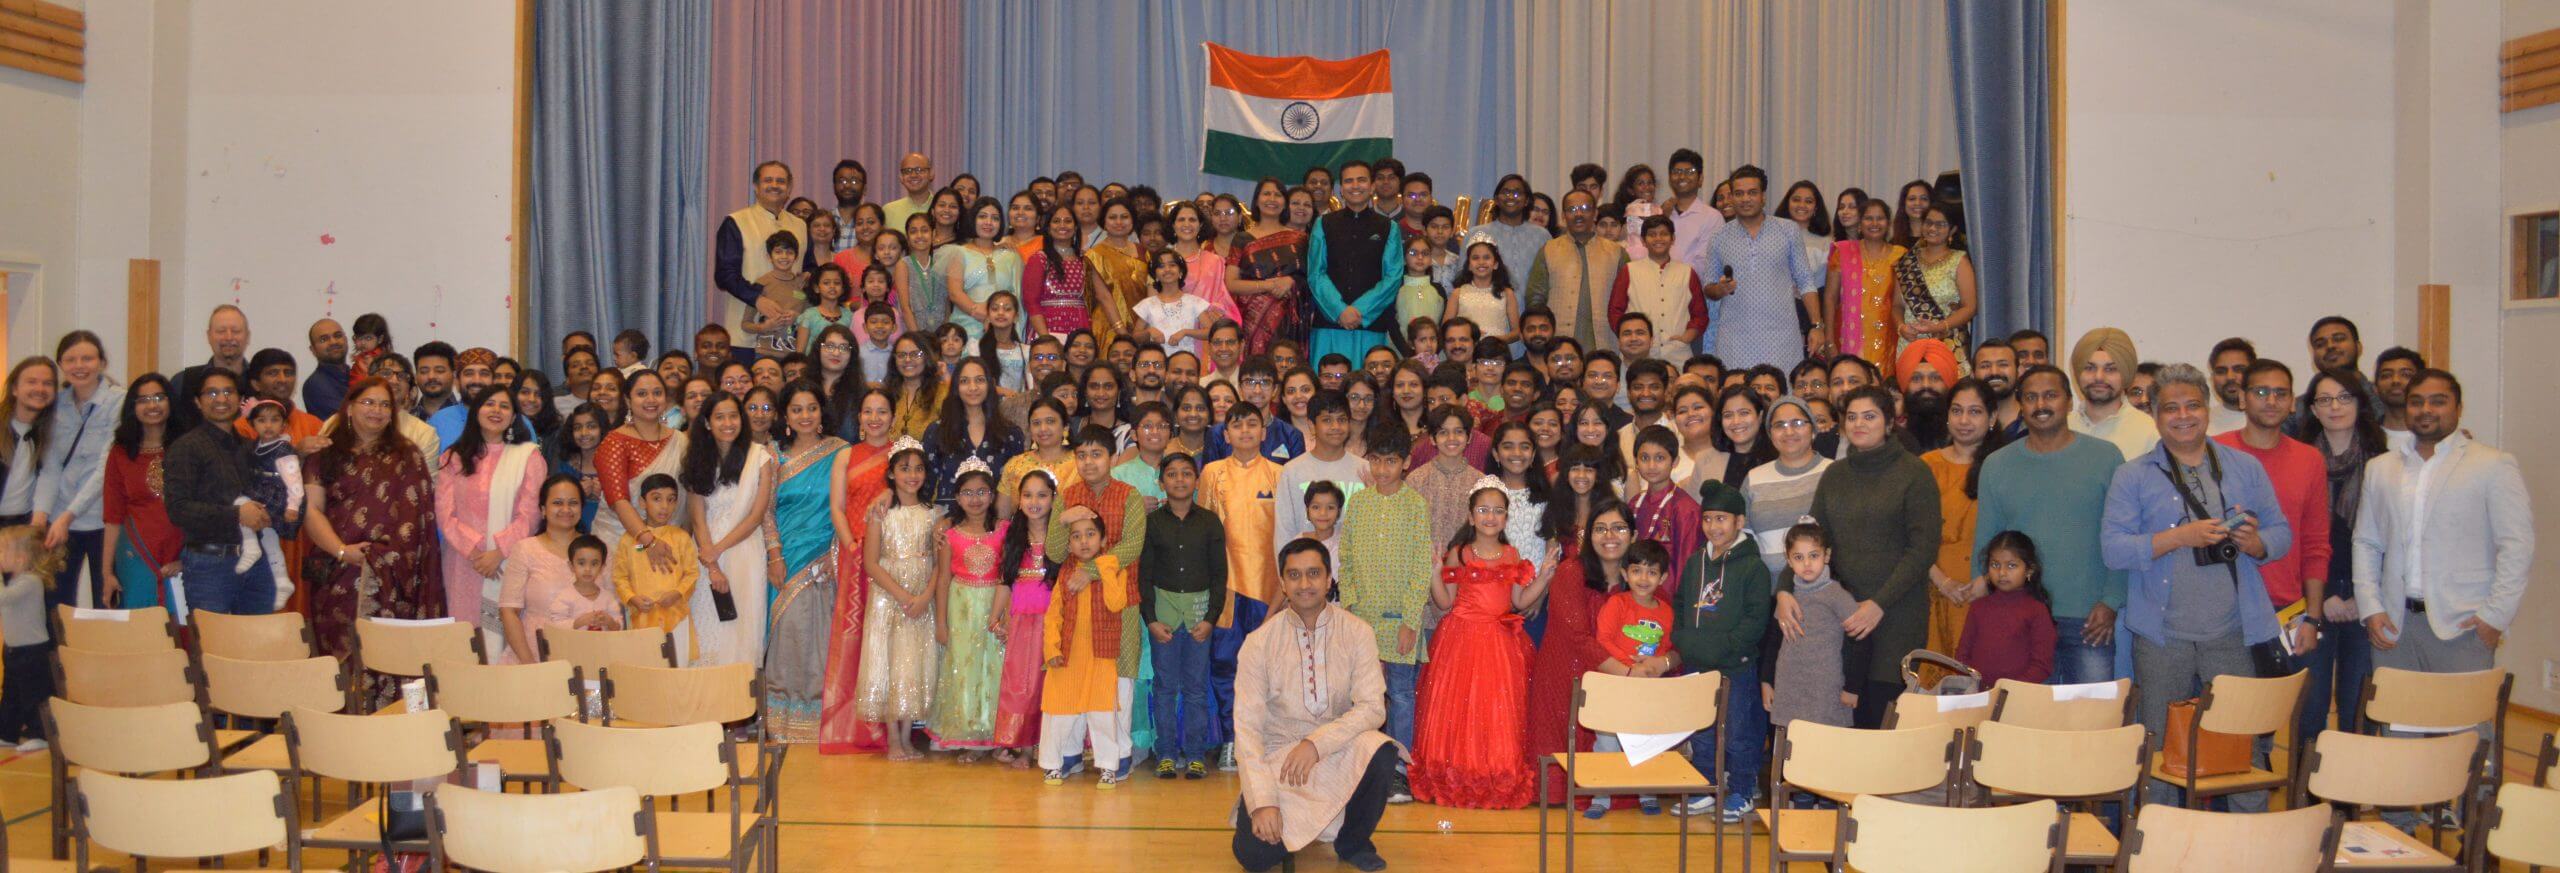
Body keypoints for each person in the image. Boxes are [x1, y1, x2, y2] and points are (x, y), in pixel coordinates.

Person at [2103, 363, 2291, 808]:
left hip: (2234, 632)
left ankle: (2246, 839)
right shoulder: (2132, 475)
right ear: (2154, 414)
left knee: (2241, 747)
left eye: (2193, 405)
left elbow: (2281, 533)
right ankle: (2159, 835)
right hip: (2161, 637)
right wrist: (2178, 538)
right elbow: (2113, 549)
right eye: (2171, 408)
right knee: (2160, 749)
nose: (2183, 416)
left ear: (2208, 409)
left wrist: (2256, 543)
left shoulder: (2244, 467)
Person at [1229, 537, 1399, 873]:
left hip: (1337, 752)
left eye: (1313, 573)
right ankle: (1289, 821)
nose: (1304, 584)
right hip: (1281, 763)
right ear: (1282, 583)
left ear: (1329, 579)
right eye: (1294, 575)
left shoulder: (1357, 632)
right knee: (1254, 857)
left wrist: (1316, 744)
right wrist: (1262, 802)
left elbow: (1372, 707)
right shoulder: (1258, 643)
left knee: (1382, 750)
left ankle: (1353, 841)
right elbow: (1246, 730)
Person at [2353, 369, 2534, 678]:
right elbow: (2366, 542)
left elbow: (2517, 545)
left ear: (2458, 408)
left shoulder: (2492, 464)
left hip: (2464, 626)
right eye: (2416, 402)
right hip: (2393, 624)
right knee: (2396, 710)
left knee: (2462, 712)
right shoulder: (2380, 468)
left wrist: (2495, 616)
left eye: (2438, 401)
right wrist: (2371, 607)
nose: (2425, 410)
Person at [1778, 386, 1939, 728]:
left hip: (1896, 616)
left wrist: (1879, 604)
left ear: (1889, 423)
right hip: (1840, 621)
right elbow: (1810, 538)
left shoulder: (1915, 473)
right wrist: (1783, 590)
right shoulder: (1835, 475)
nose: (1859, 424)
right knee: (1842, 725)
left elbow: (1923, 549)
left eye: (1869, 416)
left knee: (1883, 725)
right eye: (1851, 417)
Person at [1974, 365, 2127, 684]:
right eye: (2031, 397)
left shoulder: (2106, 458)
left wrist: (2112, 601)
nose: (2040, 405)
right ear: (2021, 405)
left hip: (2089, 618)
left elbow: (2121, 538)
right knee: (2026, 714)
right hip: (2019, 619)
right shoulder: (1997, 465)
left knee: (2091, 714)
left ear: (2069, 402)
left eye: (2050, 396)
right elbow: (1986, 545)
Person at [301, 376, 443, 707]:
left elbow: (418, 522)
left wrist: (383, 559)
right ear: (349, 408)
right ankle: (339, 729)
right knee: (338, 662)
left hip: (394, 578)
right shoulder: (325, 453)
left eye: (384, 405)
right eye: (368, 402)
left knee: (389, 657)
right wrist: (341, 551)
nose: (377, 411)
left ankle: (389, 729)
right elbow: (312, 510)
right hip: (336, 574)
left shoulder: (407, 455)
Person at [1408, 480, 1546, 810]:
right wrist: (1435, 572)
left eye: (1498, 511)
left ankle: (1491, 773)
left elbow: (1519, 601)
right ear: (1471, 516)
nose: (1490, 516)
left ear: (1506, 518)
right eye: (1483, 510)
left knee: (1495, 711)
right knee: (1458, 710)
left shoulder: (1512, 555)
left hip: (1499, 643)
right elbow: (1444, 603)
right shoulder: (1461, 553)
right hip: (1460, 640)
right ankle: (1457, 774)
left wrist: (1546, 576)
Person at [1333, 420, 1432, 802]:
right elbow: (1347, 558)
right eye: (1375, 460)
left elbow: (1421, 566)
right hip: (1362, 618)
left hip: (1400, 620)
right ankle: (1364, 768)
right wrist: (1350, 607)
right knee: (1365, 697)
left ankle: (1398, 772)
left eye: (1390, 461)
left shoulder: (1415, 505)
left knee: (1402, 694)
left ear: (1405, 462)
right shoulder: (1359, 503)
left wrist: (1410, 620)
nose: (1382, 469)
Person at [2214, 360, 2330, 661]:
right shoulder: (2213, 452)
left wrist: (2313, 617)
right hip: (2226, 610)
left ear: (2292, 403)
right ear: (2243, 399)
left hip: (2287, 608)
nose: (2272, 401)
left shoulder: (2310, 460)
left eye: (2281, 393)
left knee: (2297, 693)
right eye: (2261, 392)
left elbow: (2316, 544)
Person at [1670, 480, 1772, 821]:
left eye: (1721, 519)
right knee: (1702, 730)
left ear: (1739, 521)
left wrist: (1728, 648)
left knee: (1739, 732)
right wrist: (1683, 639)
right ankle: (1706, 787)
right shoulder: (1696, 562)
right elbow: (1682, 603)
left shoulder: (1753, 567)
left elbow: (1756, 618)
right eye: (1708, 518)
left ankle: (1741, 790)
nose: (1713, 526)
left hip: (1735, 667)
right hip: (1697, 664)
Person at [2291, 367, 2384, 740]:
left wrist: (2365, 597)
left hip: (2367, 597)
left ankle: (2352, 779)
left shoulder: (2384, 463)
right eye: (2325, 400)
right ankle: (2308, 779)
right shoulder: (2299, 461)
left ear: (2360, 403)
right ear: (2313, 410)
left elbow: (2390, 539)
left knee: (2359, 709)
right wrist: (2325, 594)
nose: (2335, 407)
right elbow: (2295, 536)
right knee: (2309, 708)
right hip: (2313, 597)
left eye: (2344, 397)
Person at [1523, 496, 1622, 807]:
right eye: (1601, 529)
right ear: (1588, 535)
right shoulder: (1571, 571)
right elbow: (1577, 637)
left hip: (1607, 675)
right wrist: (1629, 673)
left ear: (1633, 535)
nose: (1609, 536)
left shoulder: (1638, 576)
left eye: (1619, 528)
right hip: (1565, 674)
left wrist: (1664, 662)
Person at [435, 385, 545, 654]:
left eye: (504, 406)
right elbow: (444, 513)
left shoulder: (528, 457)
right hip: (462, 562)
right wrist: (475, 553)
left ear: (514, 417)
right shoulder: (454, 457)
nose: (496, 410)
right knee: (465, 641)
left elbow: (530, 514)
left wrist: (498, 552)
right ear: (476, 411)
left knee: (506, 641)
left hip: (509, 561)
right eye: (489, 404)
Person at [767, 382, 848, 741]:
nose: (805, 416)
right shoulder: (773, 455)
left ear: (821, 412)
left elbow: (847, 507)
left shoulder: (840, 451)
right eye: (796, 409)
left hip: (825, 558)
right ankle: (783, 721)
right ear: (785, 416)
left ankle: (821, 720)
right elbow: (766, 511)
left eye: (811, 408)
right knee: (788, 636)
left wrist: (835, 553)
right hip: (786, 559)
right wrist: (774, 555)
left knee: (822, 638)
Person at [1139, 452, 1226, 779]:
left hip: (1199, 616)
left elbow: (1219, 575)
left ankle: (1195, 754)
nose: (1179, 480)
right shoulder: (1152, 523)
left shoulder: (1210, 522)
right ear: (1161, 482)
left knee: (1195, 688)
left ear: (1196, 480)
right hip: (1163, 616)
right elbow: (1144, 576)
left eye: (1186, 473)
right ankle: (1165, 753)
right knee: (1164, 687)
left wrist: (1211, 618)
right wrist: (1150, 619)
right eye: (1172, 474)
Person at [821, 388, 898, 754]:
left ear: (893, 417)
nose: (874, 418)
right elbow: (837, 507)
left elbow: (915, 490)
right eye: (868, 411)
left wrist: (891, 493)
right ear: (859, 417)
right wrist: (851, 545)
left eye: (882, 411)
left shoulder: (903, 453)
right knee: (856, 636)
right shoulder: (846, 455)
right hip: (854, 554)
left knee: (890, 638)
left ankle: (893, 723)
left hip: (894, 559)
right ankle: (858, 723)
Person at [163, 369, 277, 615]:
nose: (222, 399)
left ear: (240, 399)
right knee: (212, 638)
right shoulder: (186, 447)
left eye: (228, 392)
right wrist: (236, 514)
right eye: (212, 393)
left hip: (256, 560)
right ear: (198, 401)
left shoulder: (248, 446)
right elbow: (178, 508)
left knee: (261, 636)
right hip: (209, 564)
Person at [1583, 538, 1680, 819]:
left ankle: (1647, 793)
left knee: (1645, 742)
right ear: (1625, 574)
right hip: (1614, 686)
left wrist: (1650, 666)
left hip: (1646, 690)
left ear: (1663, 577)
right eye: (1637, 571)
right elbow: (1603, 640)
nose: (1643, 578)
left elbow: (1666, 648)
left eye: (1652, 572)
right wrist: (1629, 665)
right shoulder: (1617, 603)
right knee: (1607, 744)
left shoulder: (1667, 612)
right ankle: (1601, 797)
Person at [683, 393, 777, 669]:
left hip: (744, 551)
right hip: (704, 551)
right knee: (705, 625)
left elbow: (756, 516)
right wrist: (712, 563)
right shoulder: (698, 459)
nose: (728, 423)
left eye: (733, 416)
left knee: (741, 628)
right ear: (707, 423)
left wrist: (718, 550)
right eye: (720, 417)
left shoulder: (760, 457)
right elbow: (697, 517)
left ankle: (737, 692)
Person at [1041, 504, 1132, 786]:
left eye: (1091, 534)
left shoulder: (1113, 570)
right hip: (1067, 657)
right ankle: (1052, 764)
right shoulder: (1065, 574)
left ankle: (1108, 766)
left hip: (1100, 657)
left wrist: (1104, 569)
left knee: (1103, 713)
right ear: (1069, 543)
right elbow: (1053, 615)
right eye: (1076, 536)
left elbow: (1116, 603)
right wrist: (1052, 649)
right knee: (1059, 711)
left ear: (1103, 540)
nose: (1084, 541)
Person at [1700, 166, 1826, 370]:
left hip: (1781, 339)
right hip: (1734, 340)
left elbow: (1806, 281)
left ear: (1763, 197)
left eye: (1752, 192)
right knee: (1736, 390)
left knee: (1782, 390)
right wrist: (1720, 289)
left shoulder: (1788, 230)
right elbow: (1708, 287)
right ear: (1732, 197)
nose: (1745, 199)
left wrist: (1816, 326)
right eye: (1739, 193)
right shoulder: (1719, 237)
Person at [927, 460, 1009, 757]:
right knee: (964, 666)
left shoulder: (1004, 530)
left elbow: (1009, 573)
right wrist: (941, 623)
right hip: (961, 607)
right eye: (968, 493)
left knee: (994, 666)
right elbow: (942, 579)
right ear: (957, 498)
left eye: (982, 492)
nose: (975, 499)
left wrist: (1006, 614)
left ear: (992, 495)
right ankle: (969, 733)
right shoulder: (949, 535)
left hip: (994, 603)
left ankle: (996, 734)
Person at [37, 332, 120, 609]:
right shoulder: (55, 403)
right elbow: (50, 468)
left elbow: (105, 469)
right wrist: (44, 516)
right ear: (61, 364)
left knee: (105, 605)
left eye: (87, 358)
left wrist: (68, 516)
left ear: (102, 362)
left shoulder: (118, 401)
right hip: (60, 521)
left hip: (103, 520)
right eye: (70, 359)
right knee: (55, 605)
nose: (79, 365)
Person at [496, 476, 609, 665]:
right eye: (557, 503)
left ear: (582, 509)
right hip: (534, 656)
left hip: (590, 657)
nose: (566, 509)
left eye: (573, 503)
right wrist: (529, 663)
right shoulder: (525, 549)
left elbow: (611, 609)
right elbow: (508, 611)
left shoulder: (599, 550)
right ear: (543, 509)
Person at [1919, 377, 1994, 655]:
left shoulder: (2003, 466)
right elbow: (1911, 534)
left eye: (1975, 412)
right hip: (1932, 588)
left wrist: (1989, 580)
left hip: (1988, 592)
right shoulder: (1926, 466)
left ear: (1992, 418)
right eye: (1957, 410)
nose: (1964, 420)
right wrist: (1941, 581)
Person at [1307, 161, 1404, 364]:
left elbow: (1393, 277)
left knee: (1368, 380)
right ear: (1341, 189)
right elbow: (1316, 273)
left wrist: (1359, 310)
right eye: (1349, 181)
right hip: (1330, 323)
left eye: (1361, 180)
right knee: (1327, 380)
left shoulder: (1388, 227)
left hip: (1370, 324)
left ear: (1372, 186)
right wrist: (1340, 310)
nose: (1355, 186)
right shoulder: (1323, 223)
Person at [992, 467, 1058, 766]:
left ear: (1053, 499)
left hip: (1053, 621)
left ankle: (1053, 746)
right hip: (1021, 623)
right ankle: (1025, 747)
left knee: (1050, 684)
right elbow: (1005, 580)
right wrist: (996, 616)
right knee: (1022, 685)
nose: (1035, 502)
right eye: (1028, 495)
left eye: (1042, 495)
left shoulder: (1060, 536)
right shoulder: (1011, 535)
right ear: (1018, 500)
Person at [713, 161, 809, 361]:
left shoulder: (800, 226)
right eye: (768, 180)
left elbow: (809, 270)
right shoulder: (736, 222)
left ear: (789, 189)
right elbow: (724, 275)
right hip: (745, 335)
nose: (774, 185)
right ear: (756, 187)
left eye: (781, 181)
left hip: (788, 337)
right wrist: (757, 299)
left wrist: (806, 284)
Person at [1772, 522, 1859, 729]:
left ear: (1826, 556)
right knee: (1793, 743)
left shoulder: (1838, 595)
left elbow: (1860, 641)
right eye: (1798, 557)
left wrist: (1852, 687)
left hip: (1825, 688)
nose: (1807, 563)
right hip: (1789, 685)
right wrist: (1767, 681)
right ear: (1788, 560)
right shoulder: (1786, 597)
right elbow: (1774, 641)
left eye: (1814, 555)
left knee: (1824, 744)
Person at [101, 375, 177, 609]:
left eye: (159, 397)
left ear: (171, 401)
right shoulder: (121, 453)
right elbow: (113, 516)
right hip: (135, 551)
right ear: (132, 407)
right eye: (143, 400)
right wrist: (107, 573)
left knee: (182, 623)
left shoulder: (188, 447)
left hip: (181, 551)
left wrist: (188, 558)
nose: (152, 405)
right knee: (140, 622)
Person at [613, 474, 701, 659]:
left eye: (671, 500)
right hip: (642, 616)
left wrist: (677, 593)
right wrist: (632, 599)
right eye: (657, 499)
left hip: (676, 613)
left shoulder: (681, 538)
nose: (664, 506)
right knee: (646, 664)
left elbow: (692, 573)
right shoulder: (630, 541)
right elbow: (620, 577)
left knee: (677, 663)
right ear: (642, 503)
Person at [1527, 190, 1628, 349]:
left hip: (1606, 343)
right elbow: (1535, 299)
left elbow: (1627, 301)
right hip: (1559, 344)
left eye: (1585, 208)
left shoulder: (1616, 253)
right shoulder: (1548, 250)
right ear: (1563, 216)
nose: (1578, 214)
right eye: (1572, 209)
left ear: (1595, 214)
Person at [1956, 531, 2057, 684]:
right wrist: (1974, 685)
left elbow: (2042, 665)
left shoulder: (2037, 610)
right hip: (1978, 693)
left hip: (2019, 694)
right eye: (1995, 565)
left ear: (2029, 570)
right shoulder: (1978, 607)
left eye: (2011, 565)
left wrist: (2009, 690)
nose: (2002, 573)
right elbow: (1962, 655)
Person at [1228, 178, 1311, 356]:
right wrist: (1268, 285)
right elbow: (1231, 283)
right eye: (1266, 193)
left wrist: (1290, 281)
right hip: (1254, 320)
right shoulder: (1242, 239)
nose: (1272, 199)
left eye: (1278, 195)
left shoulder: (1299, 239)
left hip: (1291, 321)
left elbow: (1309, 278)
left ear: (1285, 203)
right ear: (1256, 201)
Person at [1609, 216, 1708, 363]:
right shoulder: (1629, 271)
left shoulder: (1687, 272)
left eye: (1664, 234)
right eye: (1652, 234)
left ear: (1673, 238)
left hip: (1677, 353)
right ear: (1643, 240)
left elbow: (1700, 314)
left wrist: (1688, 336)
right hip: (1637, 354)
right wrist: (1629, 337)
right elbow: (1615, 310)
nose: (1658, 238)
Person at [233, 400, 302, 610]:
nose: (268, 425)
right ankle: (281, 581)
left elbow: (294, 481)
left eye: (275, 420)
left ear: (284, 424)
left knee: (240, 503)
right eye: (262, 420)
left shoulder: (284, 449)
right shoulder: (257, 446)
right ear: (252, 424)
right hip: (262, 489)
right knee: (270, 538)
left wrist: (293, 507)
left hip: (275, 494)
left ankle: (250, 546)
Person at [0, 524, 60, 751]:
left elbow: (4, 598)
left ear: (21, 558)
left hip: (32, 651)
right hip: (13, 648)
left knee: (34, 693)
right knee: (11, 693)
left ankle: (40, 733)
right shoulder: (14, 582)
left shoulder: (30, 582)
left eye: (2, 551)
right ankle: (7, 731)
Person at [1893, 200, 1975, 356]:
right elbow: (1897, 306)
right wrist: (1901, 327)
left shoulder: (1959, 261)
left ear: (1952, 230)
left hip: (1947, 343)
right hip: (1910, 344)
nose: (1932, 228)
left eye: (1940, 224)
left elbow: (1970, 307)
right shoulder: (1906, 262)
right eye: (1928, 223)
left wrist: (1940, 327)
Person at [2068, 328, 2158, 460]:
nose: (2099, 377)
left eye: (2110, 369)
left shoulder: (2149, 432)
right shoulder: (2061, 429)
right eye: (2089, 368)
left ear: (2126, 374)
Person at [169, 305, 251, 434]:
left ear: (247, 336)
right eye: (221, 331)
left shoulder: (263, 383)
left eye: (236, 331)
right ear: (208, 336)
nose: (229, 337)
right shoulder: (182, 382)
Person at [302, 318, 352, 418]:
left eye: (338, 335)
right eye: (324, 339)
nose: (333, 342)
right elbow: (352, 419)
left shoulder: (355, 374)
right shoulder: (316, 385)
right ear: (313, 350)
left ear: (346, 340)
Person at [2206, 338, 2256, 437]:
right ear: (2212, 378)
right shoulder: (2201, 426)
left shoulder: (2274, 421)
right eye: (2221, 371)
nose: (2230, 377)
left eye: (2239, 370)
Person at [2372, 347, 2424, 440]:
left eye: (2406, 375)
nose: (2396, 381)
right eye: (2386, 375)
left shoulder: (2436, 437)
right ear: (2375, 388)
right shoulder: (2364, 439)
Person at [880, 153, 935, 235]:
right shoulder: (888, 211)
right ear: (901, 177)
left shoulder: (942, 209)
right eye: (907, 171)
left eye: (919, 170)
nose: (913, 175)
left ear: (931, 174)